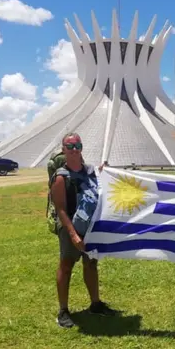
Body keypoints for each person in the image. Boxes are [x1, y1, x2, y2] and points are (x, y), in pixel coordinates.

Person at [51, 132, 116, 328]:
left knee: (91, 264)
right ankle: (63, 311)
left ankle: (95, 303)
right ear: (63, 149)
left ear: (81, 147)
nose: (74, 150)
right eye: (69, 146)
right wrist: (72, 234)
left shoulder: (91, 172)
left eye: (77, 145)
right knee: (67, 266)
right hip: (70, 228)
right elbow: (61, 208)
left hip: (91, 227)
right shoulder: (60, 178)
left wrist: (107, 173)